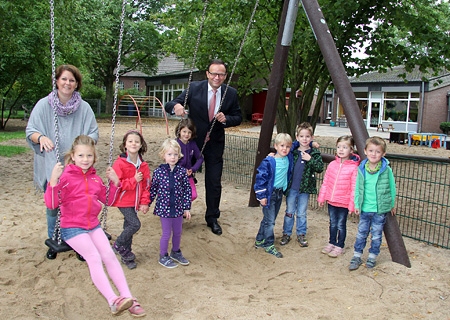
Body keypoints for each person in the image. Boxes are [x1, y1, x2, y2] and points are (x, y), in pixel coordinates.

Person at [43, 135, 145, 317]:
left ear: (94, 158)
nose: (85, 160)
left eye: (89, 156)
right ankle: (113, 300)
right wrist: (53, 181)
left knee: (110, 256)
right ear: (73, 156)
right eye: (81, 156)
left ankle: (128, 298)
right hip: (72, 228)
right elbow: (51, 204)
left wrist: (115, 183)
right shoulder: (65, 177)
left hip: (93, 225)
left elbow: (109, 200)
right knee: (94, 257)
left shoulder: (95, 179)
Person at [26, 64, 99, 260]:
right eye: (64, 79)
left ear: (76, 84)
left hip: (77, 166)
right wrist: (40, 137)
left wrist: (82, 149)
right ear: (57, 81)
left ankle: (78, 242)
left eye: (72, 80)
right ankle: (54, 239)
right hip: (52, 163)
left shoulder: (84, 108)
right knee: (53, 205)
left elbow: (93, 132)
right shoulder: (44, 105)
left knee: (77, 204)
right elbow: (31, 130)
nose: (67, 83)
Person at [165, 59, 242, 236]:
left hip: (215, 144)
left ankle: (212, 218)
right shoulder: (194, 88)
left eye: (221, 74)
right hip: (192, 144)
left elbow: (238, 116)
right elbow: (171, 104)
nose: (217, 77)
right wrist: (176, 106)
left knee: (214, 182)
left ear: (225, 76)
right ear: (207, 74)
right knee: (180, 177)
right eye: (214, 73)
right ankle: (176, 211)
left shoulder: (230, 93)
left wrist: (226, 120)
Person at [349, 136, 396, 271]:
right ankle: (357, 255)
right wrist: (357, 204)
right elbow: (358, 188)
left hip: (379, 209)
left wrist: (392, 203)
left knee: (376, 234)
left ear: (383, 154)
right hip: (365, 208)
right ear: (365, 151)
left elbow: (392, 187)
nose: (374, 154)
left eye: (377, 151)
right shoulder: (362, 169)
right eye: (371, 151)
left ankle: (372, 256)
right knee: (361, 233)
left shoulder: (386, 170)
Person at [280, 122, 324, 247]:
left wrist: (310, 159)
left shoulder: (314, 153)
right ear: (297, 137)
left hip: (304, 189)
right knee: (289, 211)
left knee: (301, 212)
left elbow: (320, 167)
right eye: (302, 136)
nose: (305, 139)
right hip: (291, 188)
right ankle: (286, 233)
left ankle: (301, 233)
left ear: (312, 137)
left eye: (307, 137)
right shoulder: (292, 151)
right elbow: (287, 147)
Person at [111, 130, 151, 270]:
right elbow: (118, 185)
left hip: (135, 202)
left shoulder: (144, 165)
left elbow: (146, 186)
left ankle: (126, 255)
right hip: (123, 201)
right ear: (125, 145)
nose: (133, 143)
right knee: (135, 225)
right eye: (130, 141)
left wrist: (145, 202)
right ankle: (117, 245)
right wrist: (133, 180)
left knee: (128, 227)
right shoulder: (120, 163)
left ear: (141, 145)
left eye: (136, 141)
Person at [150, 139, 192, 269]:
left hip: (178, 208)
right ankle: (163, 255)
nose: (172, 157)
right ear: (163, 155)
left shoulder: (181, 172)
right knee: (166, 233)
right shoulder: (158, 172)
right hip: (164, 209)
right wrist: (146, 203)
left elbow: (187, 190)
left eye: (175, 154)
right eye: (169, 154)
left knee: (178, 232)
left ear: (179, 155)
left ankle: (175, 251)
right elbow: (153, 190)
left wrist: (186, 207)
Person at [317, 135, 360, 258]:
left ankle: (339, 245)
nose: (341, 150)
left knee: (341, 224)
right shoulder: (332, 165)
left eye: (345, 147)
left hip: (344, 202)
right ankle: (331, 242)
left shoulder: (353, 168)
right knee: (332, 223)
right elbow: (326, 182)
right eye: (339, 147)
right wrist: (322, 197)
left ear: (351, 150)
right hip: (332, 200)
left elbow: (354, 188)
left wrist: (352, 205)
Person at [254, 133, 293, 258]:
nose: (284, 149)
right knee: (270, 222)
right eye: (281, 146)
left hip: (279, 193)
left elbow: (297, 144)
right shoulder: (269, 161)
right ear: (275, 146)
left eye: (287, 146)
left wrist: (312, 143)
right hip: (269, 194)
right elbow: (260, 179)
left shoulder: (289, 157)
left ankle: (260, 239)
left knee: (268, 219)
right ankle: (269, 244)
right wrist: (262, 196)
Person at [175, 118, 204, 201]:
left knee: (193, 195)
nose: (186, 134)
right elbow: (170, 160)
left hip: (189, 175)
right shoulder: (175, 144)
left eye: (189, 132)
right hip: (176, 175)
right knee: (177, 194)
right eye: (184, 131)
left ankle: (183, 208)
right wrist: (182, 171)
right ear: (179, 131)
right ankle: (181, 211)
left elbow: (200, 158)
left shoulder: (192, 144)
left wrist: (193, 169)